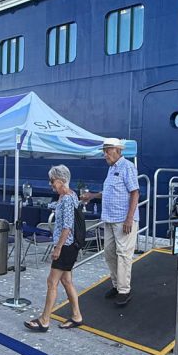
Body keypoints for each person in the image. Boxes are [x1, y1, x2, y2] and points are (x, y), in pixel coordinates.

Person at [80, 138, 139, 307]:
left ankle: (124, 290)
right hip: (109, 218)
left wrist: (129, 218)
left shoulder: (127, 166)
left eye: (108, 150)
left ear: (118, 150)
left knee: (123, 254)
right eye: (104, 151)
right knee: (109, 253)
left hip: (123, 219)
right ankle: (116, 284)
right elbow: (109, 191)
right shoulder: (111, 169)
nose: (105, 154)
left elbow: (135, 193)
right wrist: (92, 196)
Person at [25, 165, 84, 332]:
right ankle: (77, 316)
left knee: (52, 282)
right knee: (66, 281)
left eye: (52, 181)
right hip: (69, 245)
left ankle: (44, 320)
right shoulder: (70, 196)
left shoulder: (66, 198)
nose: (50, 184)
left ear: (61, 180)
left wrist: (58, 248)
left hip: (65, 246)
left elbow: (67, 226)